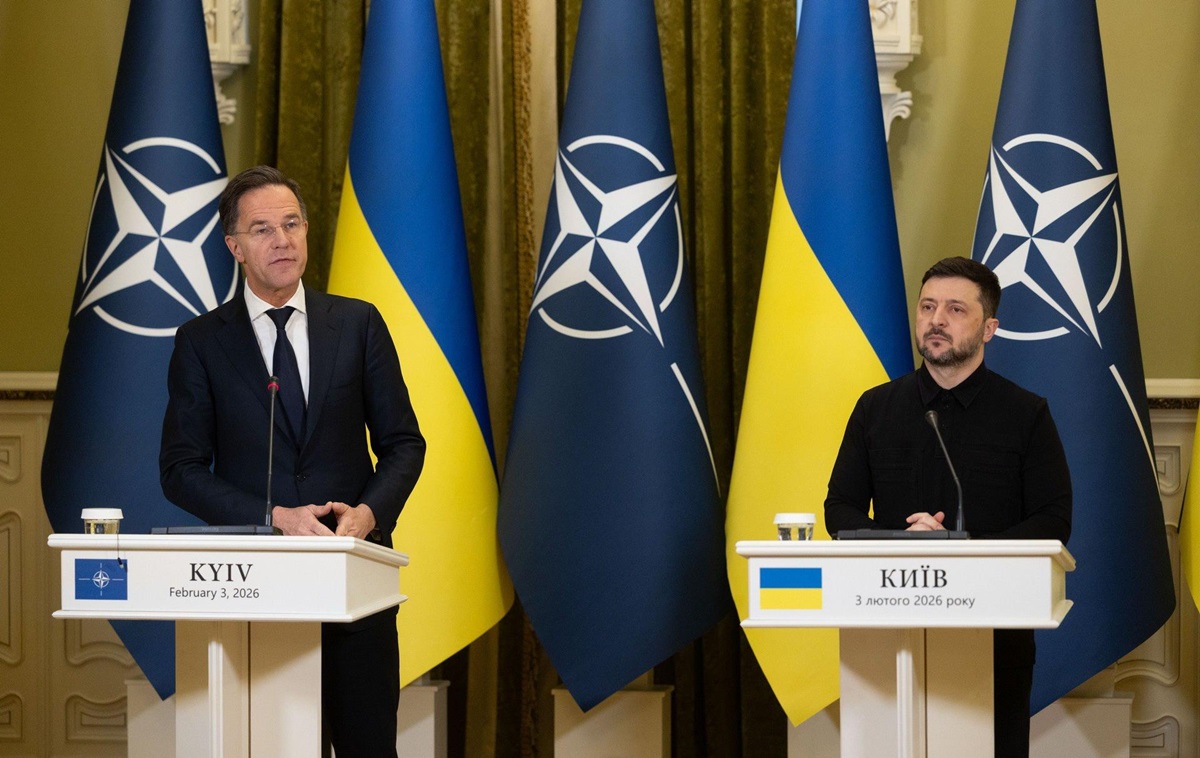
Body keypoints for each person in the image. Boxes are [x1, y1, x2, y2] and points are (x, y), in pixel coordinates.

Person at [160, 165, 425, 756]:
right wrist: (273, 516)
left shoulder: (357, 324)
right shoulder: (201, 342)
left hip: (353, 579)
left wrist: (367, 516)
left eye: (292, 224)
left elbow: (404, 443)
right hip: (254, 589)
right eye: (262, 229)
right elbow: (180, 471)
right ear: (234, 247)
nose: (282, 240)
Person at [824, 256, 1072, 758]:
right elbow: (840, 508)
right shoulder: (875, 408)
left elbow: (1053, 520)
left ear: (989, 329)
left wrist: (964, 549)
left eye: (956, 309)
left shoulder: (1025, 413)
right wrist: (900, 542)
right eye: (928, 307)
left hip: (996, 636)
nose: (936, 320)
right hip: (887, 633)